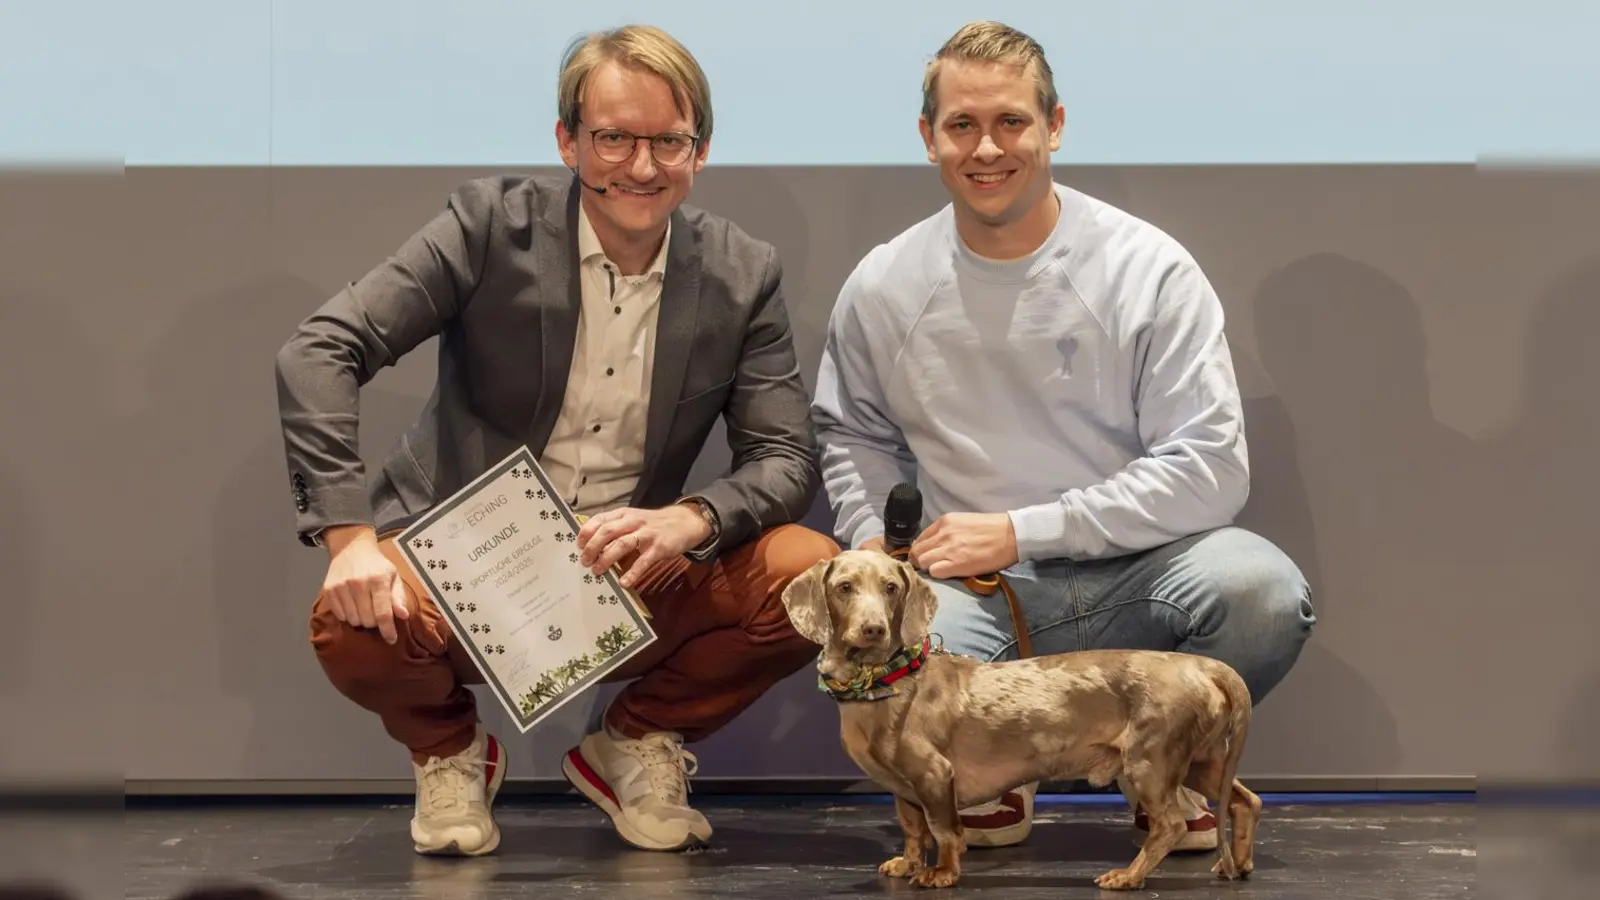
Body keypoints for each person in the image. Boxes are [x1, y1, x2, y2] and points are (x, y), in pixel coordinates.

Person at [274, 24, 838, 857]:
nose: (640, 166)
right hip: (467, 564)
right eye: (613, 137)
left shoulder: (740, 272)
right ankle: (449, 751)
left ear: (700, 151)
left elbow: (784, 458)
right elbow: (320, 348)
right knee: (350, 616)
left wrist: (687, 521)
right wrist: (350, 539)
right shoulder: (486, 226)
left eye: (667, 141)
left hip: (632, 566)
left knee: (813, 579)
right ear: (568, 141)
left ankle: (633, 741)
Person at [811, 21, 1316, 852]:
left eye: (1011, 122)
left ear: (1055, 126)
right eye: (961, 125)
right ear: (927, 138)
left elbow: (1211, 467)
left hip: (1140, 579)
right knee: (860, 625)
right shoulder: (884, 282)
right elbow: (850, 430)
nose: (986, 148)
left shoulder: (1146, 268)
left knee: (1260, 593)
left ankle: (1160, 761)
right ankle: (994, 773)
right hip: (972, 598)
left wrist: (1022, 528)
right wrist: (875, 544)